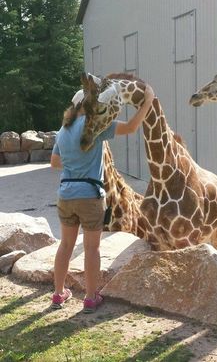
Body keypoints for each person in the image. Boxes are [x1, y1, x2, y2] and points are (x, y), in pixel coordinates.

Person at [50, 83, 155, 313]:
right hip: (89, 195)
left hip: (66, 193)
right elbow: (131, 127)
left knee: (65, 245)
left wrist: (74, 161)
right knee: (92, 249)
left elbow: (55, 163)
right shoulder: (95, 126)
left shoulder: (63, 130)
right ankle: (89, 298)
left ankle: (58, 295)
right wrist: (147, 102)